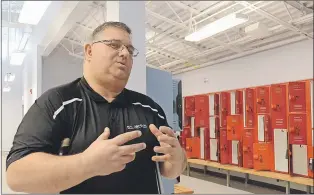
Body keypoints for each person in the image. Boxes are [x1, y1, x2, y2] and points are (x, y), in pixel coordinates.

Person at [6, 21, 187, 194]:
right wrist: (87, 164)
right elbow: (16, 175)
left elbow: (168, 170)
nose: (125, 53)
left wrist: (178, 159)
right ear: (89, 51)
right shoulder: (58, 103)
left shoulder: (149, 108)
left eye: (130, 50)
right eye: (114, 45)